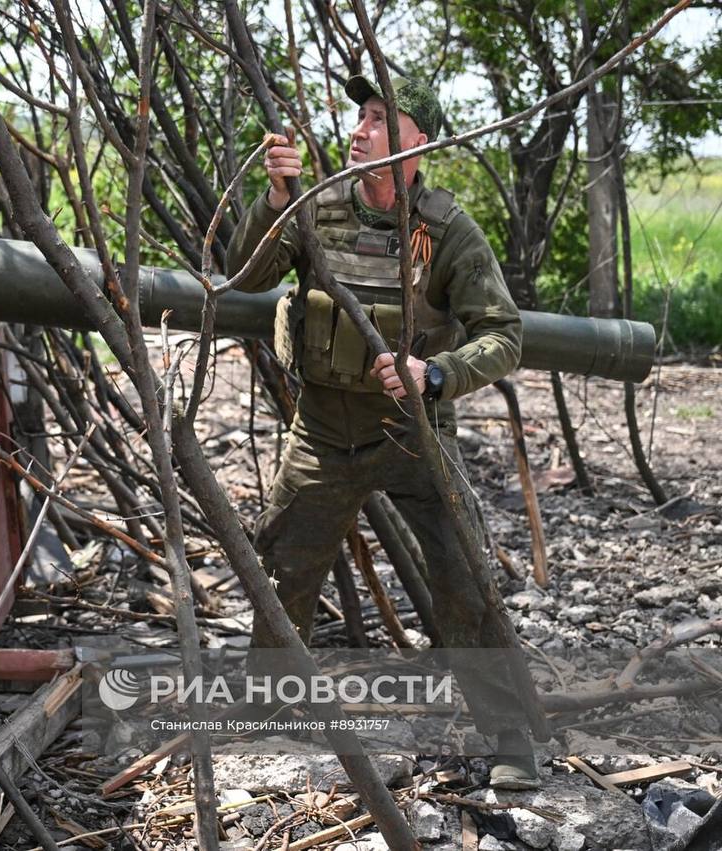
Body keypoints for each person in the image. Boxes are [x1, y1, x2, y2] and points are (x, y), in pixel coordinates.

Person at [225, 74, 541, 790]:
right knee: (287, 571)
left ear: (418, 142)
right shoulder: (316, 207)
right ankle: (268, 721)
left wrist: (436, 374)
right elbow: (242, 277)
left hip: (413, 435)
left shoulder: (445, 227)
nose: (360, 128)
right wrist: (276, 200)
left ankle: (511, 738)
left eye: (380, 118)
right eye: (360, 114)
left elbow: (504, 334)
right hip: (323, 434)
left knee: (464, 578)